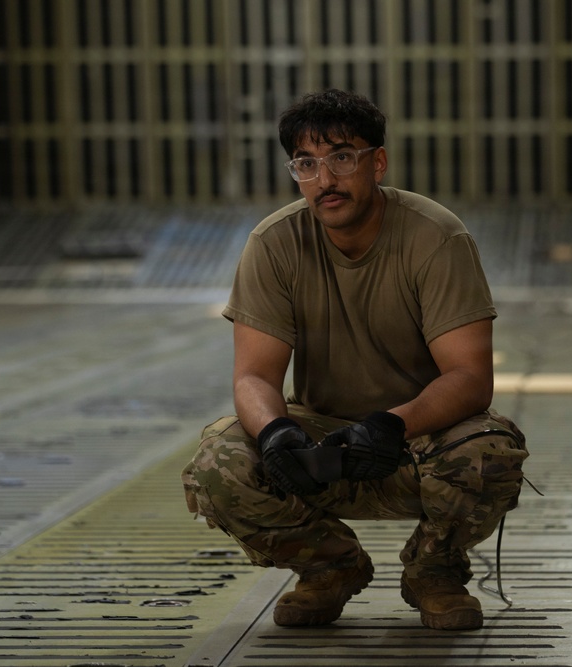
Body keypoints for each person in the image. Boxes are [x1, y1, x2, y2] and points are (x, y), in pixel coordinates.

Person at [181, 89, 528, 632]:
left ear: (378, 162)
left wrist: (392, 424)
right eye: (306, 164)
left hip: (414, 439)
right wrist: (275, 433)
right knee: (216, 463)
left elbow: (470, 378)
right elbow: (253, 375)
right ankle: (329, 569)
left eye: (342, 157)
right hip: (321, 443)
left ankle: (433, 571)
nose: (325, 179)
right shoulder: (274, 244)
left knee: (492, 453)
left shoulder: (436, 237)